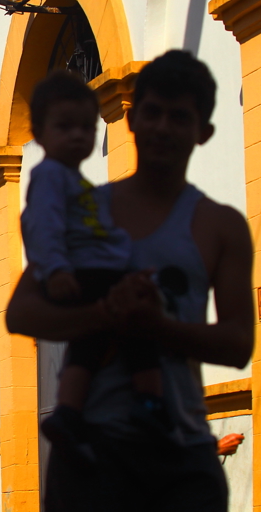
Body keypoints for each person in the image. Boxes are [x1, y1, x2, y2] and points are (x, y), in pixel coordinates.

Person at [7, 50, 255, 512]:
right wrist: (104, 314)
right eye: (152, 112)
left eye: (179, 117)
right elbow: (22, 311)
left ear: (203, 132)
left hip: (179, 456)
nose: (162, 127)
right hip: (89, 459)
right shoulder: (85, 211)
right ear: (131, 118)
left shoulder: (219, 226)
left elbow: (238, 343)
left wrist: (156, 326)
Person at [20, 71, 167, 457]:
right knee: (116, 337)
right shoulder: (50, 176)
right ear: (39, 132)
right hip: (84, 274)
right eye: (64, 126)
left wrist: (133, 266)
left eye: (87, 127)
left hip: (103, 271)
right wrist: (56, 270)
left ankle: (73, 411)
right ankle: (140, 404)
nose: (77, 136)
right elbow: (42, 226)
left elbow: (107, 234)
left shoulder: (79, 184)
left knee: (100, 341)